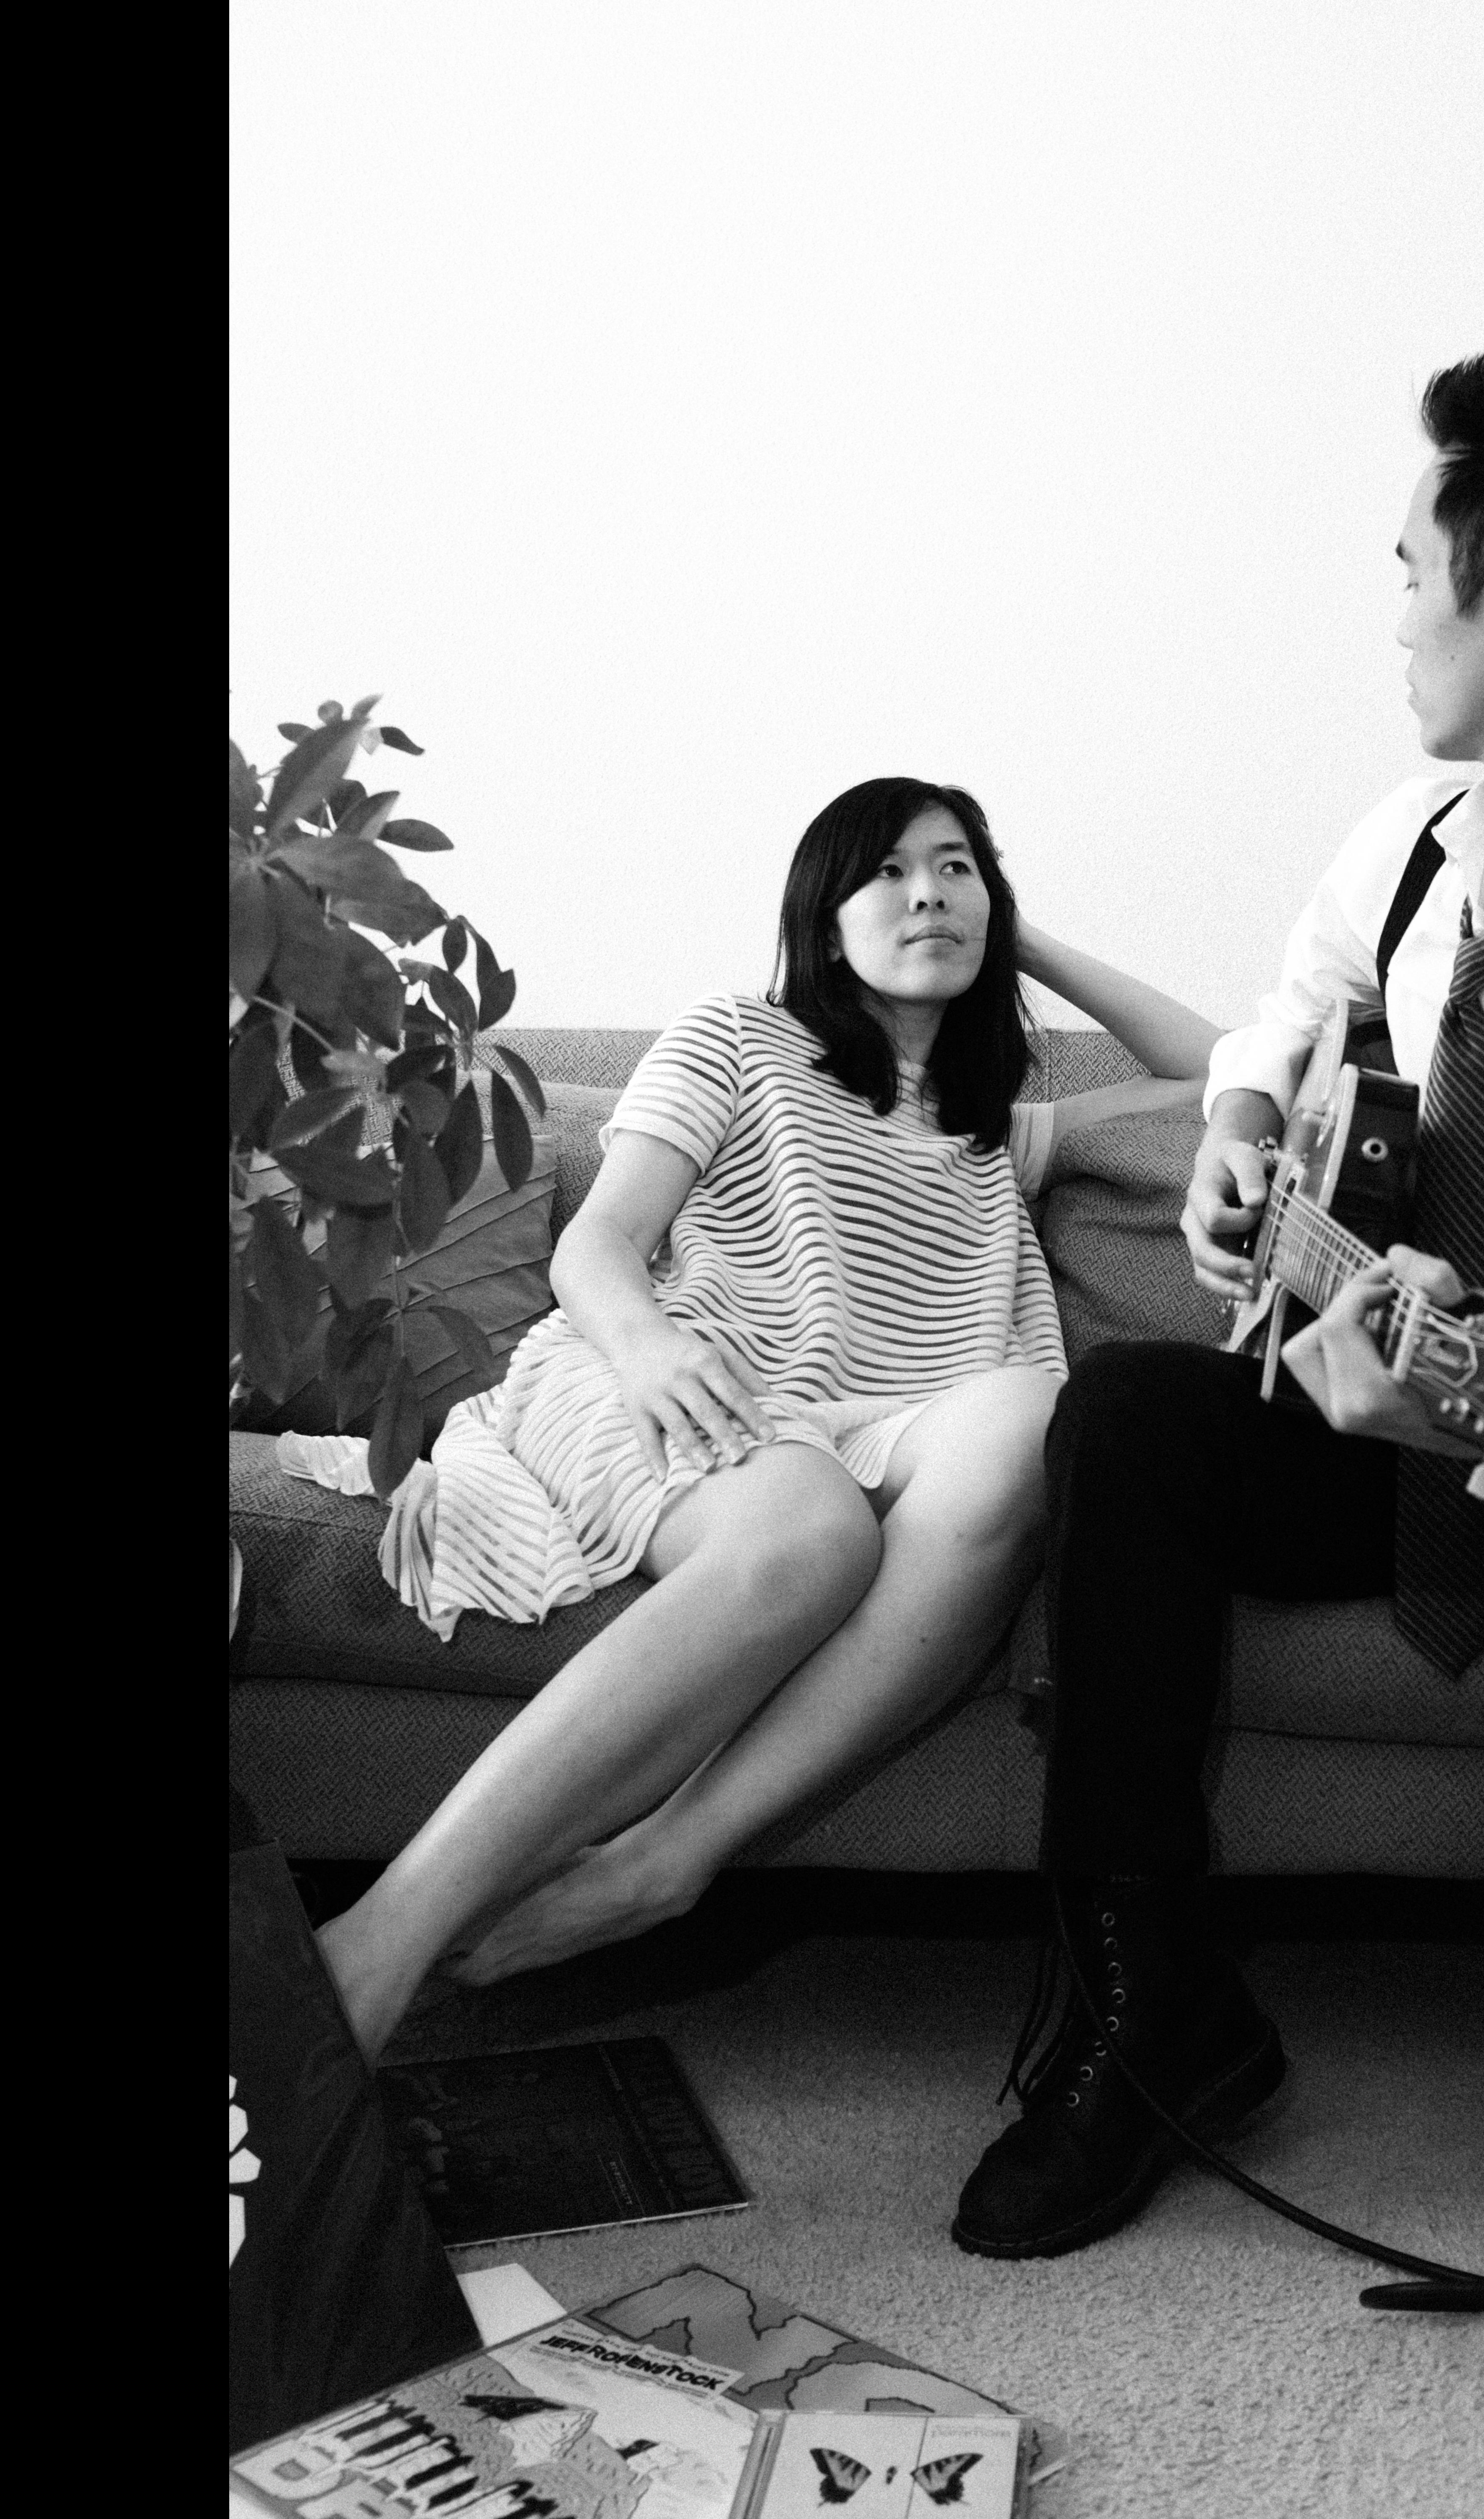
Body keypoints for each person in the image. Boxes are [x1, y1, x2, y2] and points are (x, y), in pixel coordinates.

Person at [951, 340, 1484, 2306]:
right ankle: (1156, 2004)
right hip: (1373, 1427)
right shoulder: (1421, 840)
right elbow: (1280, 1017)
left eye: (1411, 570)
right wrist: (1240, 1133)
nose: (1397, 616)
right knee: (1129, 1424)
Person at [315, 776, 1221, 2060]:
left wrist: (1025, 940)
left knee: (1036, 1416)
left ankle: (669, 1860)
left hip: (881, 1420)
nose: (928, 893)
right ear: (822, 917)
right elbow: (597, 1245)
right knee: (812, 1531)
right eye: (888, 872)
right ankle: (374, 1945)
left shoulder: (995, 1132)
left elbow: (1231, 1076)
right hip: (671, 1369)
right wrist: (648, 1349)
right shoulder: (736, 1036)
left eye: (956, 869)